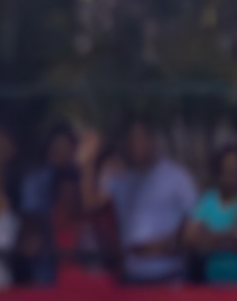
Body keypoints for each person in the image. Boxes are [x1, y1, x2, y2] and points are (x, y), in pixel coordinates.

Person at [83, 120, 197, 284]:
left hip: (169, 278)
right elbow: (89, 204)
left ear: (152, 140)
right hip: (131, 281)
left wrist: (162, 247)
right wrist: (87, 161)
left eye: (140, 139)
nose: (135, 145)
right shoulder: (120, 179)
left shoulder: (177, 177)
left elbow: (195, 229)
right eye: (130, 140)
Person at [185, 145, 237, 285]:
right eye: (226, 169)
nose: (230, 175)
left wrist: (207, 238)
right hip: (215, 284)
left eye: (235, 170)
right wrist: (230, 234)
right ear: (218, 171)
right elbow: (189, 239)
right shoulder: (208, 199)